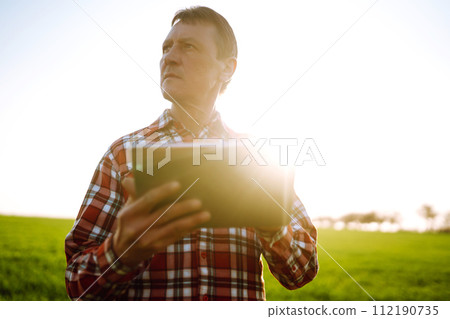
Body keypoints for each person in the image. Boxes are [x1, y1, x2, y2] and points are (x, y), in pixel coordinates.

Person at [65, 6, 318, 301]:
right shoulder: (122, 154)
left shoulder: (259, 158)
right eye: (166, 47)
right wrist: (123, 251)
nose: (169, 58)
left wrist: (275, 229)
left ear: (227, 68)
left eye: (188, 46)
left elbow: (302, 271)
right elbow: (77, 284)